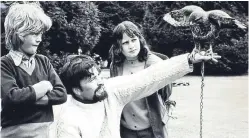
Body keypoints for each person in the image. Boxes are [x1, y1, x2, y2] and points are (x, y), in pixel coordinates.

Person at [54, 46, 220, 138]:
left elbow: (148, 78)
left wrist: (189, 59)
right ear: (76, 90)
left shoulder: (110, 91)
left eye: (98, 75)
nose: (100, 81)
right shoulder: (68, 119)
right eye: (91, 79)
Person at [1, 3, 67, 137]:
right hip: (15, 133)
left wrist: (26, 99)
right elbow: (11, 98)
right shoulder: (4, 64)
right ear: (19, 33)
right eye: (35, 34)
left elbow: (61, 94)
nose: (40, 39)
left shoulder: (43, 61)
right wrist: (42, 87)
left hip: (45, 132)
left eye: (41, 34)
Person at [109, 21, 174, 138]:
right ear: (118, 46)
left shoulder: (155, 63)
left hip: (151, 130)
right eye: (125, 42)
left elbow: (166, 93)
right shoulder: (115, 66)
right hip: (125, 131)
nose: (131, 45)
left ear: (140, 39)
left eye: (134, 40)